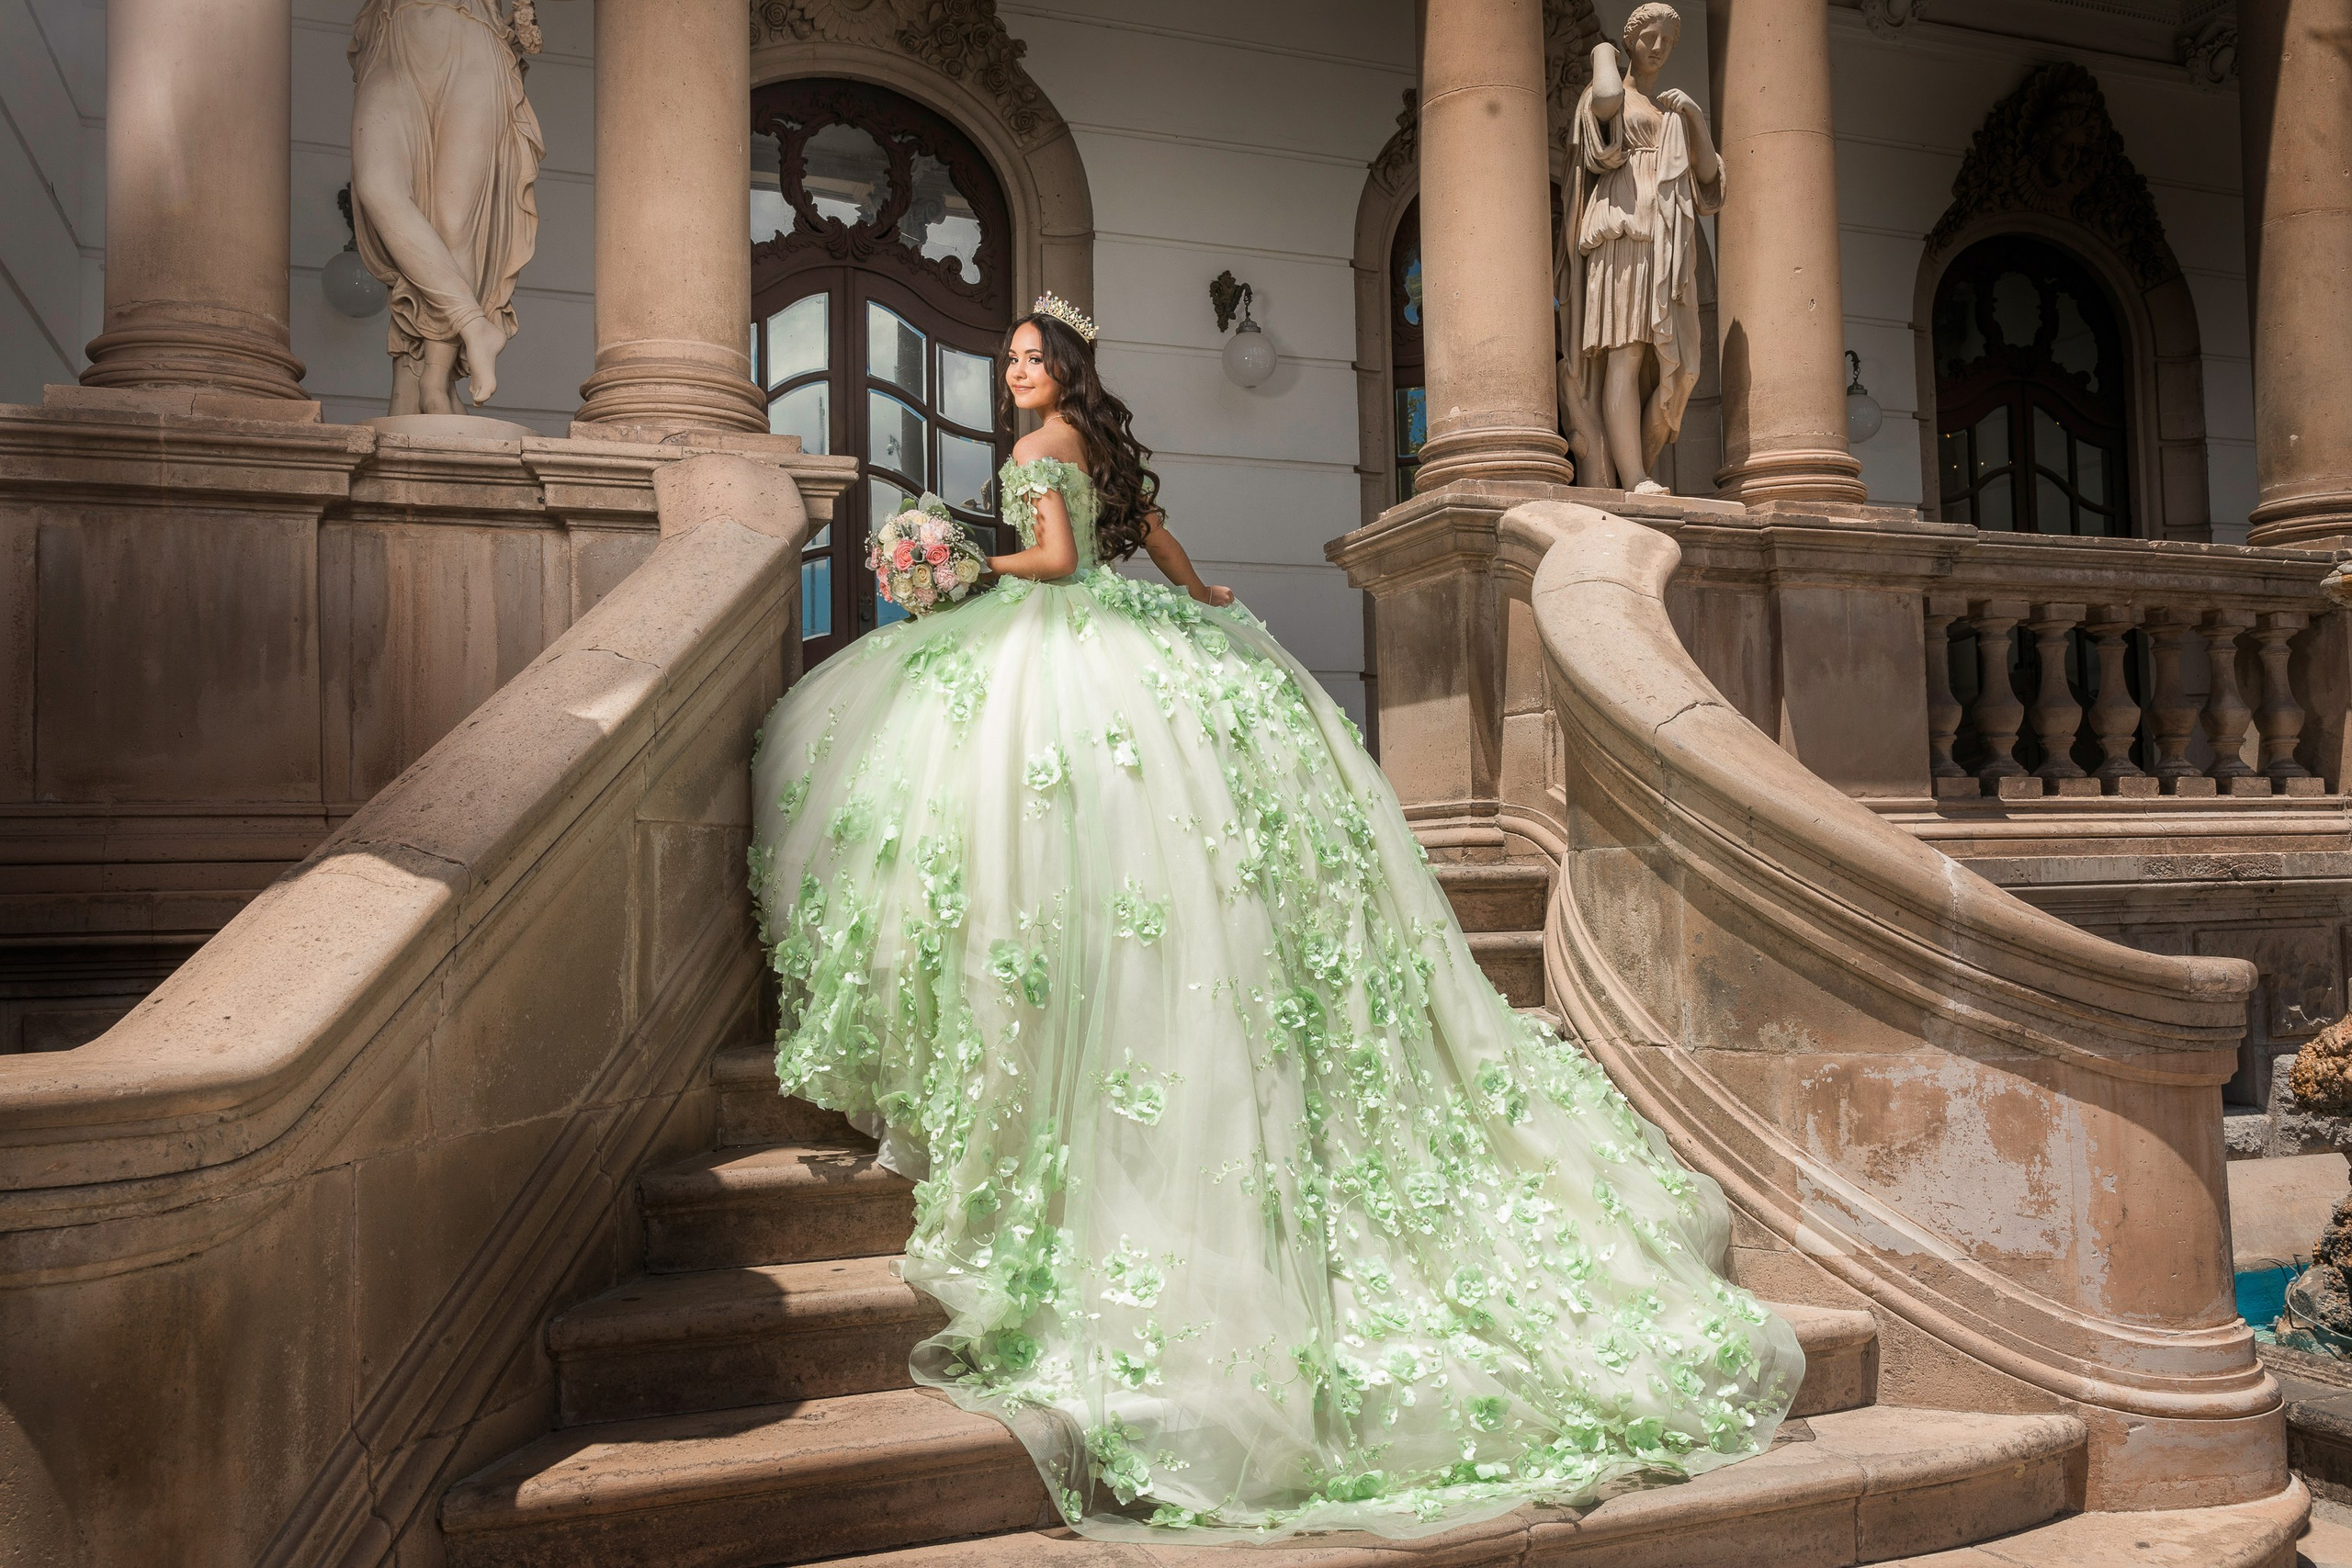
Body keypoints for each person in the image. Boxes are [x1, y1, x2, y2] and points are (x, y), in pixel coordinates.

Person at [747, 293, 1801, 1541]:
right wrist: (1199, 593)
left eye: (1034, 360)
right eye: (1013, 361)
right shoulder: (1095, 449)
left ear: (1064, 372)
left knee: (978, 805)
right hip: (1132, 641)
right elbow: (1151, 530)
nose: (1019, 375)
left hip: (1053, 635)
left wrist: (963, 562)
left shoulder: (1037, 456)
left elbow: (1065, 563)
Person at [1557, 2, 1723, 493]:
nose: (1657, 47)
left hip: (1666, 242)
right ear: (1629, 41)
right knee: (1625, 355)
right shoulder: (1606, 94)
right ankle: (1632, 478)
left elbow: (1711, 181)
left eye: (1667, 41)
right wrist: (1603, 53)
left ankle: (1636, 463)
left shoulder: (1670, 112)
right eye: (1648, 37)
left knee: (1682, 364)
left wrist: (1694, 115)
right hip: (1623, 231)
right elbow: (1607, 100)